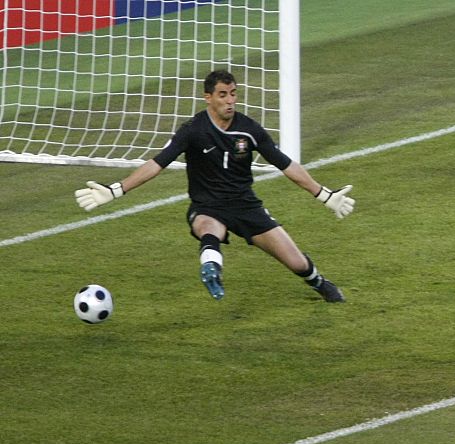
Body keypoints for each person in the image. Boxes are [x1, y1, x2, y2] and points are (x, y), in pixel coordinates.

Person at [75, 70, 354, 302]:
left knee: (297, 263)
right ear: (208, 97)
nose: (230, 101)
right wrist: (116, 190)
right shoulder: (193, 130)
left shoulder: (249, 130)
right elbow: (157, 164)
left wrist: (323, 194)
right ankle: (211, 268)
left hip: (246, 206)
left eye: (233, 94)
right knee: (210, 229)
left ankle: (320, 284)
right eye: (223, 95)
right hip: (207, 207)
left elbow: (286, 165)